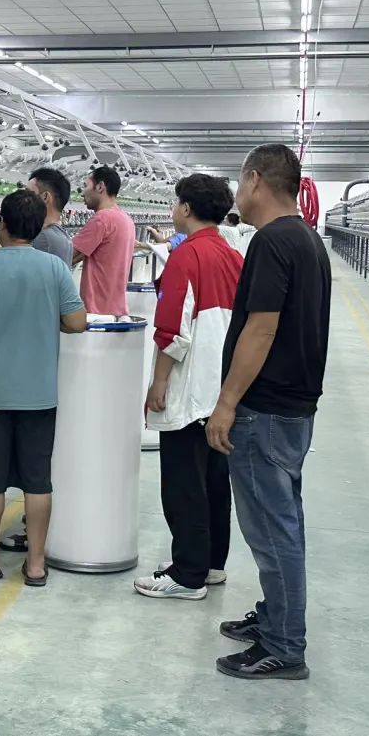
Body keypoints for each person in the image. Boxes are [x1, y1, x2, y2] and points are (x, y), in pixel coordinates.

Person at [205, 144, 331, 681]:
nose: (237, 192)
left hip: (266, 409)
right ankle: (275, 617)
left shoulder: (273, 241)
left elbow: (261, 328)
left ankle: (283, 644)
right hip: (293, 407)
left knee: (272, 531)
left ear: (256, 180)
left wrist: (226, 403)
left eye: (239, 181)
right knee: (283, 522)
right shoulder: (306, 239)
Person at [0, 189, 87, 587]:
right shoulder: (54, 268)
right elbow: (77, 322)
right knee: (37, 480)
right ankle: (36, 565)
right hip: (38, 394)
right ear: (38, 227)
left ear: (2, 224)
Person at [133, 174, 242, 602]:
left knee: (183, 483)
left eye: (176, 202)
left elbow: (172, 330)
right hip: (220, 386)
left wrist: (158, 382)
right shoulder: (230, 254)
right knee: (214, 479)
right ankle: (211, 563)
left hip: (190, 385)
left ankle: (187, 574)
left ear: (186, 208)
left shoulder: (187, 255)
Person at [72, 166, 136, 316]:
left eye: (85, 186)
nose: (82, 193)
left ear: (100, 187)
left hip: (97, 312)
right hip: (116, 310)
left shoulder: (102, 219)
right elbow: (81, 254)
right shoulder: (126, 219)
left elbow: (68, 254)